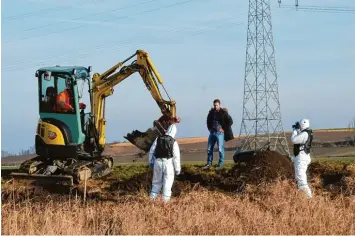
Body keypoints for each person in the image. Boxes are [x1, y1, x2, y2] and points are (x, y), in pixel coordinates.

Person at [148, 121, 181, 202]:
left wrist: (151, 163)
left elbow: (151, 151)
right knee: (167, 184)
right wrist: (177, 169)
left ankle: (151, 201)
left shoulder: (158, 139)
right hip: (168, 163)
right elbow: (176, 157)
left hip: (157, 162)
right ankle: (165, 204)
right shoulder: (173, 141)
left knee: (156, 184)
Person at [203, 99, 234, 170]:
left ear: (219, 105)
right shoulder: (211, 113)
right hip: (212, 132)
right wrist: (209, 128)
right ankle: (209, 164)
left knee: (220, 149)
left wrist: (223, 129)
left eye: (217, 105)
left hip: (220, 133)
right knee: (209, 148)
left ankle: (220, 164)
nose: (215, 106)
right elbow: (208, 121)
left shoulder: (223, 113)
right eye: (214, 105)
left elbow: (230, 121)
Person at [291, 118, 314, 199]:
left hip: (302, 158)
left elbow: (294, 139)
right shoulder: (306, 133)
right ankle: (303, 197)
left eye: (299, 126)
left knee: (301, 180)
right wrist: (298, 130)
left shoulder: (305, 134)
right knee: (299, 179)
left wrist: (294, 130)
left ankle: (309, 199)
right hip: (302, 157)